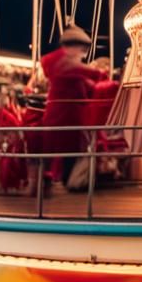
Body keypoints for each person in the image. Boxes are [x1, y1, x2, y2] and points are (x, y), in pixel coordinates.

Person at [34, 24, 106, 190]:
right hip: (66, 111)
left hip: (64, 110)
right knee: (63, 147)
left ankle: (56, 179)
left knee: (60, 147)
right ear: (73, 46)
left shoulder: (60, 61)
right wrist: (97, 75)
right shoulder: (61, 60)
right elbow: (81, 72)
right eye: (82, 49)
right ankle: (59, 180)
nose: (83, 54)